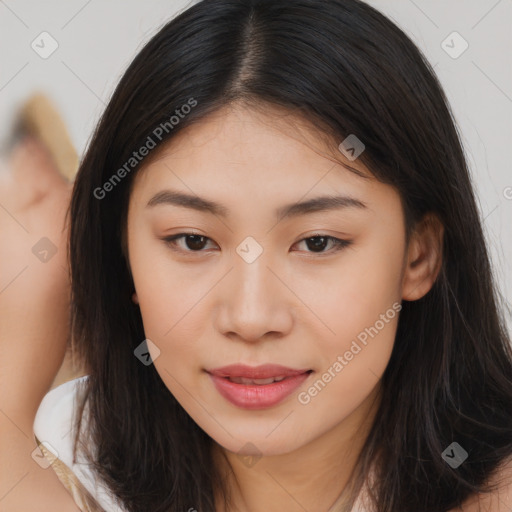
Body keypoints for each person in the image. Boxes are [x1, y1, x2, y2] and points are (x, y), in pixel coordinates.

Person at [2, 0, 512, 510]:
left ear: (417, 257)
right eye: (193, 241)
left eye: (317, 243)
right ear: (124, 255)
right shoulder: (66, 460)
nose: (250, 318)